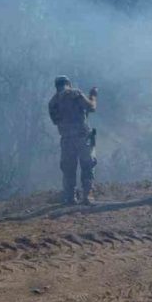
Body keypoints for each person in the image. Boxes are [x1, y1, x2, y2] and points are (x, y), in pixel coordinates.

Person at [48, 75, 98, 205]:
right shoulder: (75, 94)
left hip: (66, 139)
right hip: (83, 136)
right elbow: (91, 107)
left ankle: (70, 197)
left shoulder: (53, 102)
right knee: (88, 165)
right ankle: (88, 195)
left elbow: (55, 121)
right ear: (68, 83)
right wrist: (93, 95)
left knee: (68, 169)